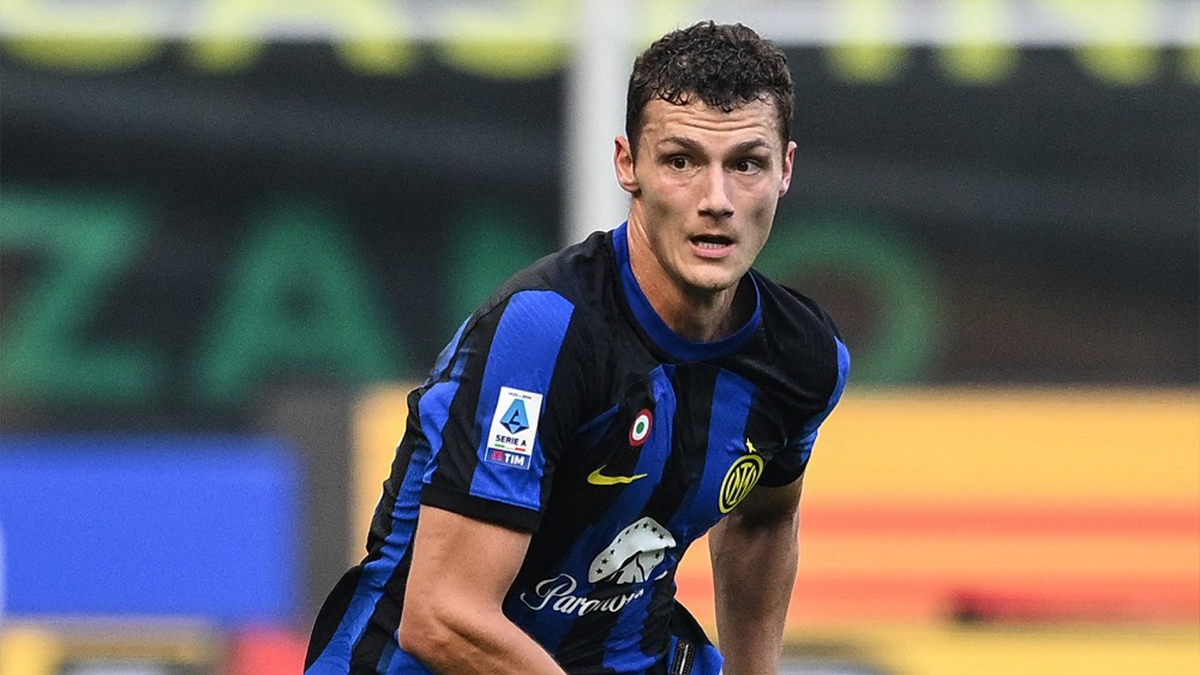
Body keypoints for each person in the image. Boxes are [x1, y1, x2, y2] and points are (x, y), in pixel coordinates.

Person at [304, 20, 849, 675]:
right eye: (681, 161)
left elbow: (763, 520)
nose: (716, 200)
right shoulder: (543, 334)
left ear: (785, 169)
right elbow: (443, 615)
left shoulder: (802, 357)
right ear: (628, 165)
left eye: (746, 164)